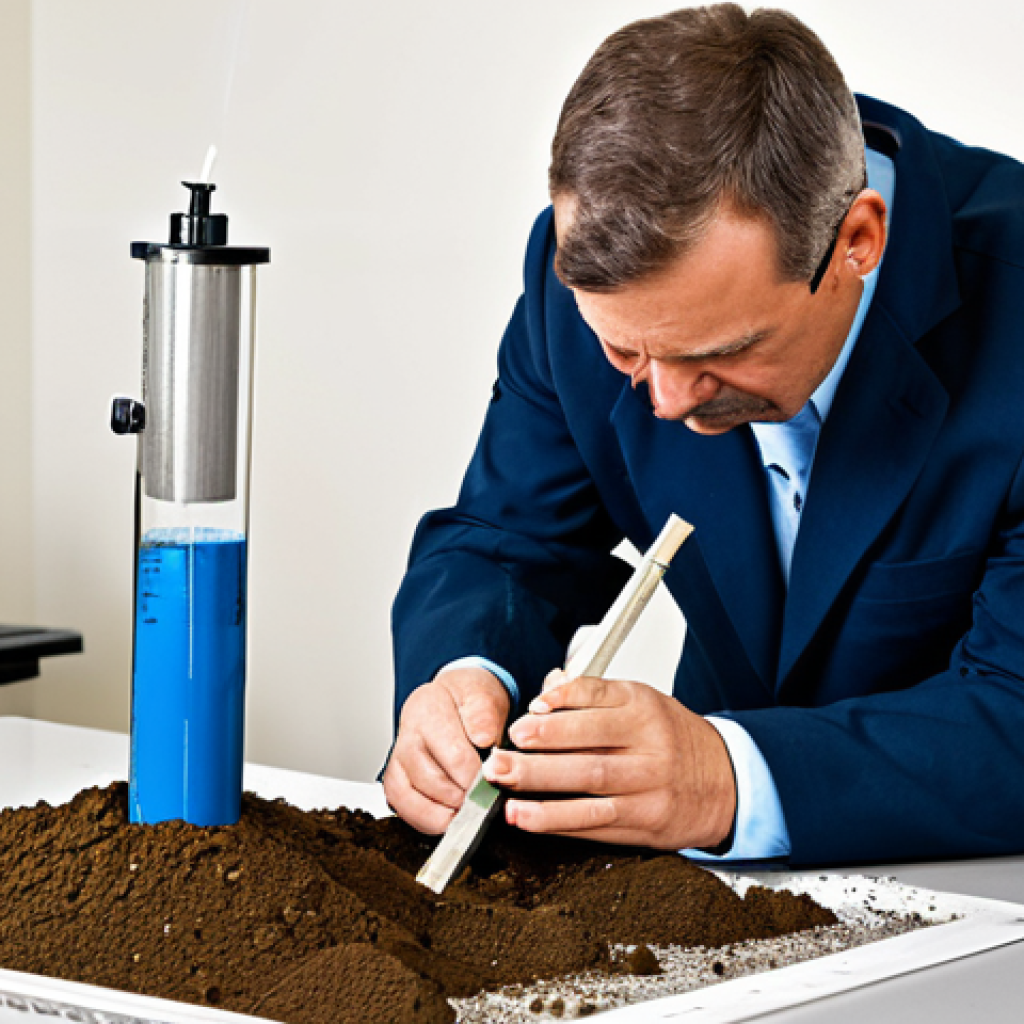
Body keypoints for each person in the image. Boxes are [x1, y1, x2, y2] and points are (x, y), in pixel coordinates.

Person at [383, 4, 1024, 866]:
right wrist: (465, 677)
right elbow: (507, 541)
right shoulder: (582, 282)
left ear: (857, 241)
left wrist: (723, 780)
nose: (669, 404)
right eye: (625, 352)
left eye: (722, 352)